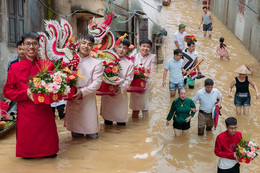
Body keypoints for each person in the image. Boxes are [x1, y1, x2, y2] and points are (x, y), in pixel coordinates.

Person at [3, 31, 59, 158]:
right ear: (22, 46)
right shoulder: (15, 68)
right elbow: (7, 91)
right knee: (28, 157)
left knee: (50, 154)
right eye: (27, 43)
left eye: (34, 43)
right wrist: (25, 93)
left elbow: (55, 88)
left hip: (45, 113)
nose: (31, 47)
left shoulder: (47, 65)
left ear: (39, 46)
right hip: (26, 114)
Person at [65, 34, 103, 139]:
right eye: (84, 43)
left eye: (90, 44)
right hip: (72, 98)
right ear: (79, 44)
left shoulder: (97, 63)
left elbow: (97, 83)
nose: (86, 46)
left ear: (92, 47)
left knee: (91, 133)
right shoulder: (69, 60)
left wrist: (83, 92)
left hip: (88, 98)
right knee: (76, 135)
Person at [101, 39, 134, 126]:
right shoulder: (107, 60)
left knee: (121, 121)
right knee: (107, 121)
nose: (121, 50)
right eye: (119, 47)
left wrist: (120, 88)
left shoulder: (129, 64)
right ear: (115, 47)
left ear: (127, 50)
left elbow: (129, 79)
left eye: (124, 48)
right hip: (107, 93)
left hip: (120, 94)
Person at [130, 39, 157, 118]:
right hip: (135, 84)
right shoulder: (134, 56)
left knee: (146, 108)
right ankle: (136, 127)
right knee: (135, 109)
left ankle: (145, 126)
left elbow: (153, 71)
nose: (145, 48)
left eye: (148, 47)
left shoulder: (153, 57)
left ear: (150, 48)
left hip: (147, 84)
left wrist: (150, 84)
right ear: (139, 47)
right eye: (143, 46)